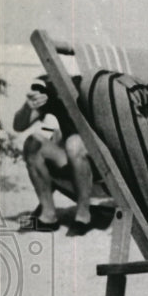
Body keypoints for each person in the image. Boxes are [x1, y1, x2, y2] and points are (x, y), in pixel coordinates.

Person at [12, 75, 93, 234]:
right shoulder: (52, 89)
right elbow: (18, 126)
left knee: (74, 143)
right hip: (71, 155)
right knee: (33, 143)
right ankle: (48, 215)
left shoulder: (90, 88)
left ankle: (83, 213)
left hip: (101, 160)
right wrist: (29, 106)